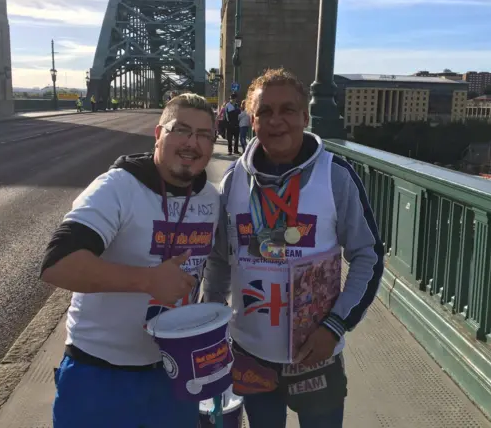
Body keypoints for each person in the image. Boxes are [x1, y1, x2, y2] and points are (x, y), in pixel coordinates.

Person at [204, 68, 384, 428]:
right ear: (251, 121)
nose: (277, 121)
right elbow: (219, 259)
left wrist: (335, 325)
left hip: (317, 353)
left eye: (288, 110)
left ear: (305, 117)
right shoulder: (233, 181)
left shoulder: (335, 175)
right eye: (265, 112)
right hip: (250, 354)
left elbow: (369, 255)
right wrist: (210, 323)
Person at [39, 93, 220, 428]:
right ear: (158, 134)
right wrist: (147, 280)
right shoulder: (118, 187)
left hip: (174, 376)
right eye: (181, 130)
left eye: (204, 135)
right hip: (100, 375)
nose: (192, 143)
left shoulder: (211, 198)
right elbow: (57, 263)